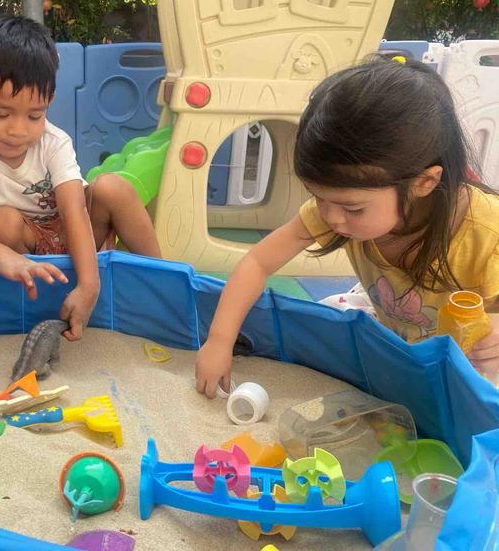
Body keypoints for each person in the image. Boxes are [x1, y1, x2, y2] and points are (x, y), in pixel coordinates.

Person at [195, 55, 499, 398]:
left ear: (424, 182)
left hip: (468, 360)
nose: (331, 218)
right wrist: (219, 341)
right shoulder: (338, 207)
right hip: (398, 333)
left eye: (351, 208)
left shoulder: (485, 230)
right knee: (328, 322)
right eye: (318, 197)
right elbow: (258, 262)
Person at [0, 16, 161, 341]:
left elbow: (74, 210)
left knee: (114, 187)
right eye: (1, 113)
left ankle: (164, 280)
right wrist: (4, 257)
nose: (18, 130)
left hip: (73, 237)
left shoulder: (54, 143)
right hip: (27, 255)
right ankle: (33, 297)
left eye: (34, 115)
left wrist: (88, 286)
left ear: (49, 102)